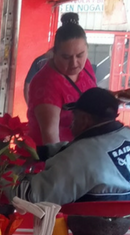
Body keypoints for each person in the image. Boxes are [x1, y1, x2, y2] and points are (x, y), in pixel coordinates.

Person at [17, 87, 130, 205]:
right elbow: (84, 149)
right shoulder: (129, 135)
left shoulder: (81, 157)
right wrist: (42, 152)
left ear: (85, 119)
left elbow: (31, 196)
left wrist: (5, 175)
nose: (71, 123)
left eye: (74, 117)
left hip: (87, 224)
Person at [26, 13, 97, 146]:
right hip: (58, 157)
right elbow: (50, 138)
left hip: (84, 148)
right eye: (66, 57)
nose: (74, 63)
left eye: (80, 55)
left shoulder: (85, 65)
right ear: (54, 53)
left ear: (87, 50)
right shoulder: (46, 84)